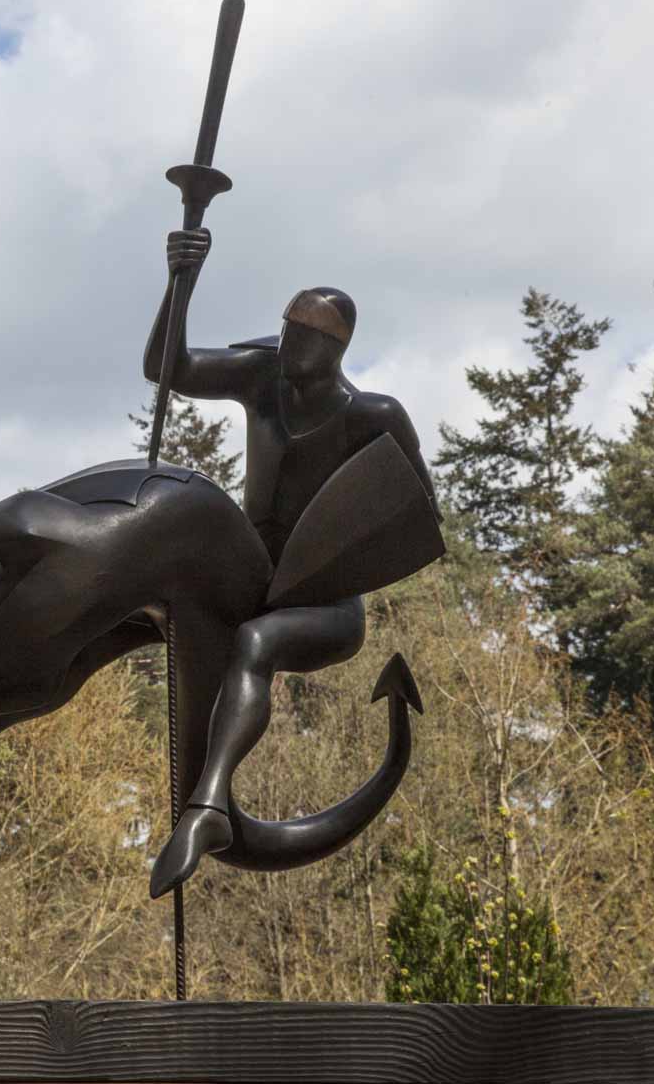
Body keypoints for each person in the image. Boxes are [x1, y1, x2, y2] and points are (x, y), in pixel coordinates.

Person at [145, 227, 441, 898]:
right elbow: (168, 367)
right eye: (285, 327)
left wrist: (345, 557)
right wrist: (179, 281)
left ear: (332, 349)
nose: (284, 343)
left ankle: (210, 807)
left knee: (255, 642)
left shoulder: (372, 416)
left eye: (300, 334)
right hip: (253, 580)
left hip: (327, 607)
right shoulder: (260, 379)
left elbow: (420, 515)